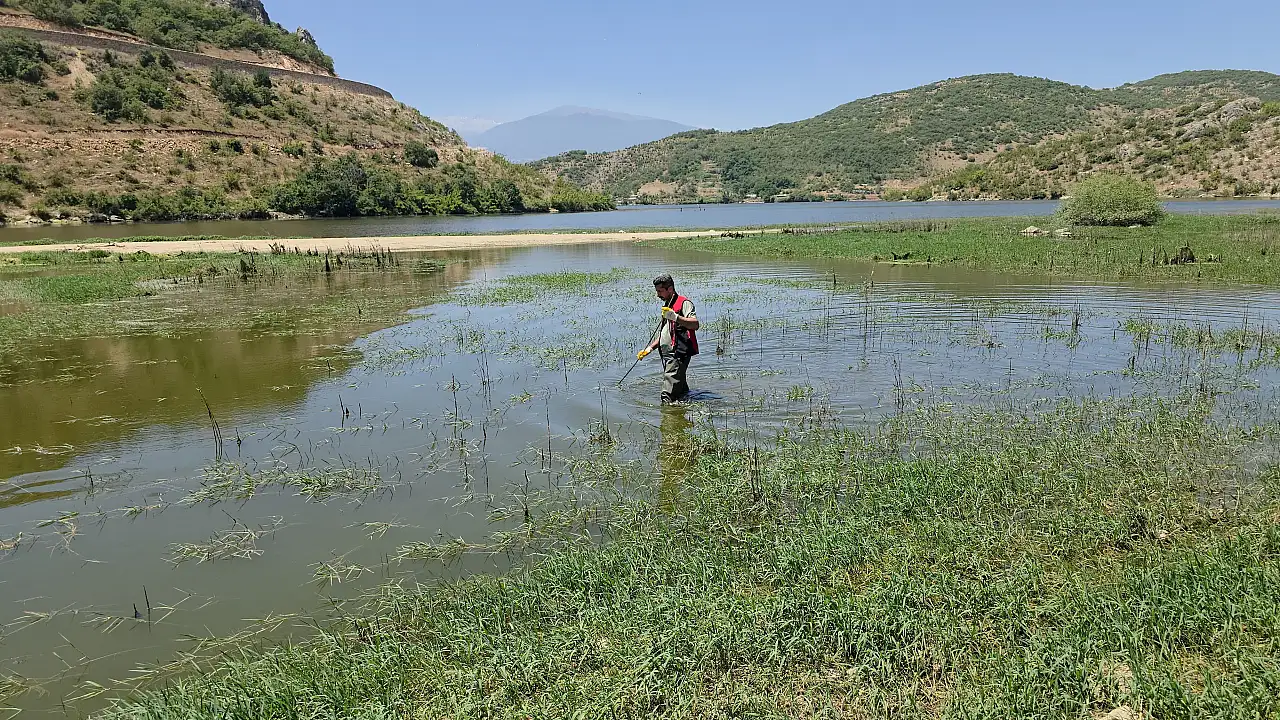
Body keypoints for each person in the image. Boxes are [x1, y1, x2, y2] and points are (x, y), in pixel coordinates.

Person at [637, 274, 700, 403]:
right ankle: (685, 410)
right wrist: (649, 349)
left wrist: (676, 317)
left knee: (667, 395)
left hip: (678, 354)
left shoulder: (684, 303)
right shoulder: (668, 304)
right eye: (657, 291)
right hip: (669, 354)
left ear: (670, 289)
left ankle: (668, 414)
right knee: (681, 391)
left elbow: (695, 324)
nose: (658, 295)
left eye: (660, 291)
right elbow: (666, 332)